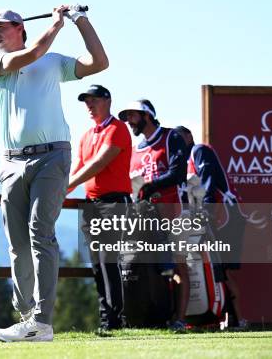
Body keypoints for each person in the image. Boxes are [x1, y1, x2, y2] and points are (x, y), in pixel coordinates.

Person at [0, 5, 108, 342]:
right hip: (11, 164)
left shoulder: (53, 62)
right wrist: (55, 25)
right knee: (17, 244)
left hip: (53, 156)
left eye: (0, 27)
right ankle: (26, 318)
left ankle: (42, 321)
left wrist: (79, 20)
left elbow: (99, 62)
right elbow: (34, 51)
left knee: (41, 233)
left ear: (19, 27)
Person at [118, 100, 190, 330]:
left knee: (179, 266)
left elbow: (177, 174)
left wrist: (149, 186)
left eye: (132, 116)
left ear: (146, 115)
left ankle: (179, 319)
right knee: (153, 267)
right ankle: (159, 315)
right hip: (145, 220)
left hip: (174, 213)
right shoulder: (135, 149)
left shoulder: (171, 137)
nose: (129, 122)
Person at [67, 84, 132, 332]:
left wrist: (67, 186)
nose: (89, 105)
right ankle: (107, 320)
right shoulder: (86, 136)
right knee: (96, 262)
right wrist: (61, 191)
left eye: (93, 100)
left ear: (107, 101)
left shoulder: (118, 128)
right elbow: (79, 167)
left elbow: (99, 163)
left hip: (113, 203)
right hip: (91, 205)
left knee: (108, 260)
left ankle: (115, 320)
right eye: (86, 101)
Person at [173, 125, 248, 329]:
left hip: (225, 214)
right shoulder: (183, 161)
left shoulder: (199, 150)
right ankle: (222, 318)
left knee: (222, 268)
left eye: (179, 136)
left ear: (188, 136)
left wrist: (206, 211)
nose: (176, 141)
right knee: (215, 268)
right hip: (209, 216)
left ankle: (238, 320)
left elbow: (208, 180)